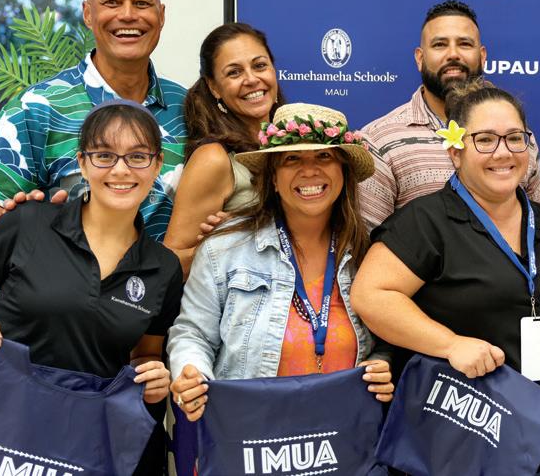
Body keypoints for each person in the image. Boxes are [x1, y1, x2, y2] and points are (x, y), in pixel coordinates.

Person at [0, 101, 183, 475]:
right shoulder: (29, 223)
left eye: (138, 156)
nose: (121, 170)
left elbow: (144, 355)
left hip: (88, 440)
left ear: (157, 164)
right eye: (104, 155)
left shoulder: (163, 267)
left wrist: (153, 376)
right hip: (6, 424)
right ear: (82, 163)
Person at [351, 81, 540, 470]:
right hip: (456, 437)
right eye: (485, 140)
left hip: (534, 435)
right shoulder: (426, 221)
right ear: (455, 152)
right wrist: (451, 344)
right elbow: (371, 295)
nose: (503, 153)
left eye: (514, 138)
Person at [167, 103, 393, 424]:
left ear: (344, 172)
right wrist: (192, 373)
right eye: (292, 159)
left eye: (324, 156)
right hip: (250, 432)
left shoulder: (369, 253)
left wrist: (382, 365)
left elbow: (388, 341)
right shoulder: (224, 248)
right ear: (272, 178)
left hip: (342, 436)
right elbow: (193, 334)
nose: (309, 170)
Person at [0, 0, 186, 244]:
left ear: (161, 15)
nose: (128, 15)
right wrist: (19, 224)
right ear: (88, 14)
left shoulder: (188, 108)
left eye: (142, 3)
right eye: (112, 3)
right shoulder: (36, 108)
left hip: (165, 272)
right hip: (61, 272)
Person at [359, 0, 540, 229]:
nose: (453, 54)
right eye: (440, 45)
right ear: (420, 58)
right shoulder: (380, 140)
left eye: (464, 44)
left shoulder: (517, 138)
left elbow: (539, 228)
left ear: (482, 56)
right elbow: (368, 241)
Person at [164, 23, 286, 273]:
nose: (251, 79)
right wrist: (233, 238)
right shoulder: (214, 158)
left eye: (259, 66)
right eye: (234, 72)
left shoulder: (296, 145)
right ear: (214, 87)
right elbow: (171, 262)